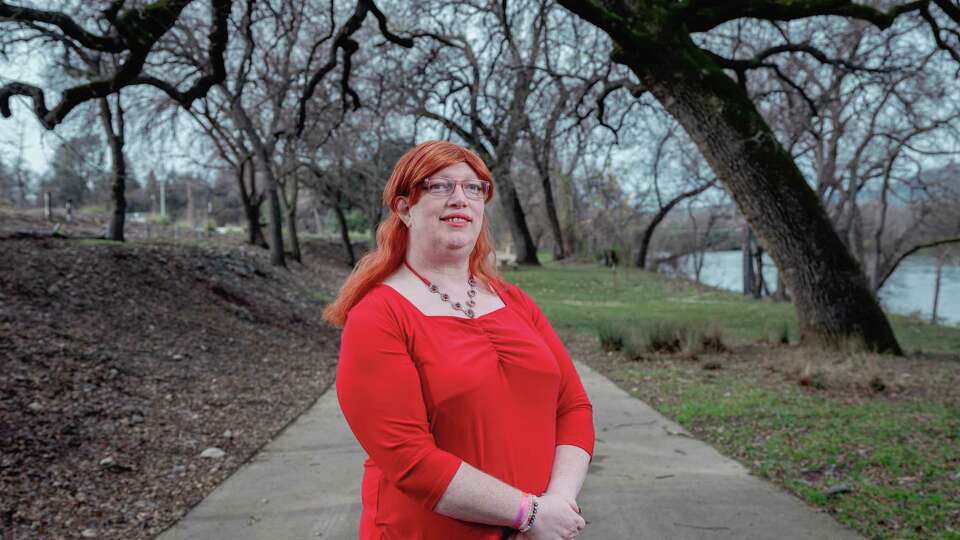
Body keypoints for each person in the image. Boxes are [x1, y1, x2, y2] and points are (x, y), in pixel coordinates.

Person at [324, 141, 594, 539]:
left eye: (474, 188)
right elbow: (408, 459)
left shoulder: (514, 301)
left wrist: (557, 505)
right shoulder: (378, 315)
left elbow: (573, 407)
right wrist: (529, 513)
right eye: (438, 187)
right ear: (403, 209)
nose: (459, 199)